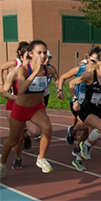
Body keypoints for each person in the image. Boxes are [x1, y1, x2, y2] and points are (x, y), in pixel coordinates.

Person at [0, 40, 55, 178]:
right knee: (13, 140)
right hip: (20, 108)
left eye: (44, 53)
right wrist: (35, 72)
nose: (42, 56)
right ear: (31, 54)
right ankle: (2, 162)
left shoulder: (48, 69)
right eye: (39, 53)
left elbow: (55, 73)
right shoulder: (22, 69)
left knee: (47, 128)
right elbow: (22, 89)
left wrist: (60, 87)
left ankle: (41, 158)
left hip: (36, 108)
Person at [57, 47, 101, 156]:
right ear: (87, 58)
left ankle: (78, 147)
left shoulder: (100, 73)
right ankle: (74, 129)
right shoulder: (80, 69)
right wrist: (59, 91)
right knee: (87, 124)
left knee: (91, 131)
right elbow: (63, 77)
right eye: (93, 61)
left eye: (98, 61)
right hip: (77, 102)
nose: (95, 64)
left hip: (93, 104)